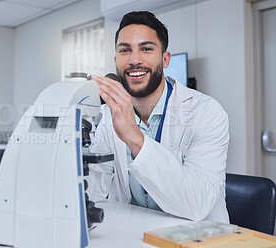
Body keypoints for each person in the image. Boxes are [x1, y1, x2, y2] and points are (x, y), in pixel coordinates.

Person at [88, 11, 229, 222]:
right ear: (116, 60)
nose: (134, 60)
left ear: (165, 59)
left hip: (193, 237)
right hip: (134, 234)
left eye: (146, 49)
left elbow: (196, 204)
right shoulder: (109, 115)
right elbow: (93, 189)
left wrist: (133, 136)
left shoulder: (207, 112)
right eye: (125, 50)